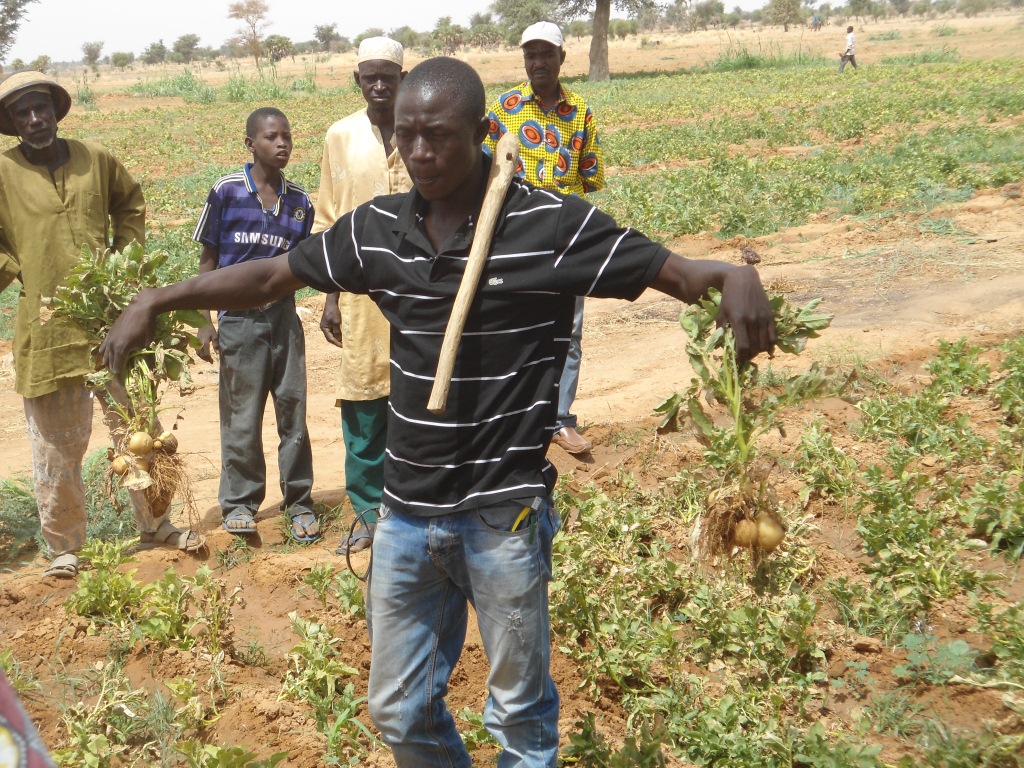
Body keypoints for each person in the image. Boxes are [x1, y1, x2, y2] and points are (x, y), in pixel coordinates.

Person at [100, 57, 777, 767]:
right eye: (406, 136)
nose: (420, 153)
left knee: (518, 717)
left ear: (485, 132)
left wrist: (737, 275)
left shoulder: (550, 224)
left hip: (502, 513)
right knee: (397, 708)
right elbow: (274, 275)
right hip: (406, 512)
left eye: (439, 137)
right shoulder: (377, 231)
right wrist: (159, 298)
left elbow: (677, 274)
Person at [0, 71, 204, 580]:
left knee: (138, 429)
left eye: (41, 107)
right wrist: (17, 268)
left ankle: (157, 523)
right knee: (56, 443)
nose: (34, 119)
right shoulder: (2, 173)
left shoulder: (95, 158)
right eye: (22, 112)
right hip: (46, 328)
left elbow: (128, 204)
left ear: (55, 109)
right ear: (11, 122)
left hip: (112, 319)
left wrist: (124, 262)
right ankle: (65, 547)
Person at [193, 107, 319, 542]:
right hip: (239, 323)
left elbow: (304, 266)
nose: (281, 143)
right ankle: (240, 502)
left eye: (287, 136)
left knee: (293, 412)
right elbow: (208, 261)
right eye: (271, 137)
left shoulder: (301, 203)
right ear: (251, 143)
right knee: (241, 417)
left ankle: (300, 501)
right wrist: (204, 320)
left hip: (284, 319)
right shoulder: (227, 192)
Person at [483, 20, 604, 456]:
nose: (538, 62)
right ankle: (518, 419)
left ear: (561, 58)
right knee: (514, 328)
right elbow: (484, 173)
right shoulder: (503, 109)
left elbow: (589, 177)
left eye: (546, 54)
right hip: (515, 237)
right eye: (531, 55)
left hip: (568, 239)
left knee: (567, 332)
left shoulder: (581, 112)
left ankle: (560, 419)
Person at [314, 37, 411, 555]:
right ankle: (370, 514)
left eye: (387, 77)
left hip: (423, 290)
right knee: (365, 404)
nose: (378, 85)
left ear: (401, 77)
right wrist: (329, 296)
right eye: (369, 77)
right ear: (357, 80)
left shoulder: (421, 128)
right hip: (359, 293)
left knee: (422, 397)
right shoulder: (340, 136)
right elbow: (329, 219)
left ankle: (413, 506)